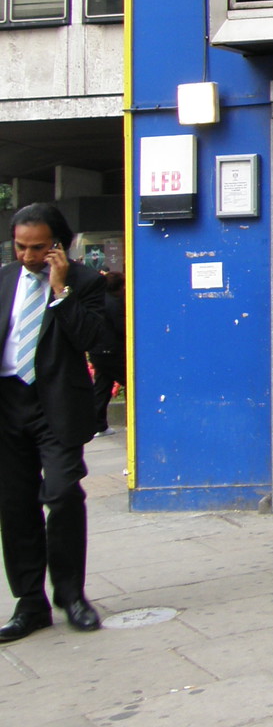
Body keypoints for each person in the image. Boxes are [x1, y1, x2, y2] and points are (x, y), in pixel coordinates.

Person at [0, 204, 110, 643]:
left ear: (58, 245)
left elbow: (96, 341)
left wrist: (60, 291)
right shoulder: (4, 279)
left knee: (62, 493)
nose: (27, 255)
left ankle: (71, 594)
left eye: (38, 247)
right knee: (15, 505)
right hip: (8, 403)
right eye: (20, 246)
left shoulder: (84, 283)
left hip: (57, 406)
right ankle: (30, 604)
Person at [90, 271, 126, 437]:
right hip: (113, 351)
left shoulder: (97, 300)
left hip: (97, 350)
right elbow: (122, 327)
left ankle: (99, 425)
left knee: (102, 387)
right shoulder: (116, 303)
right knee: (132, 383)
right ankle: (131, 420)